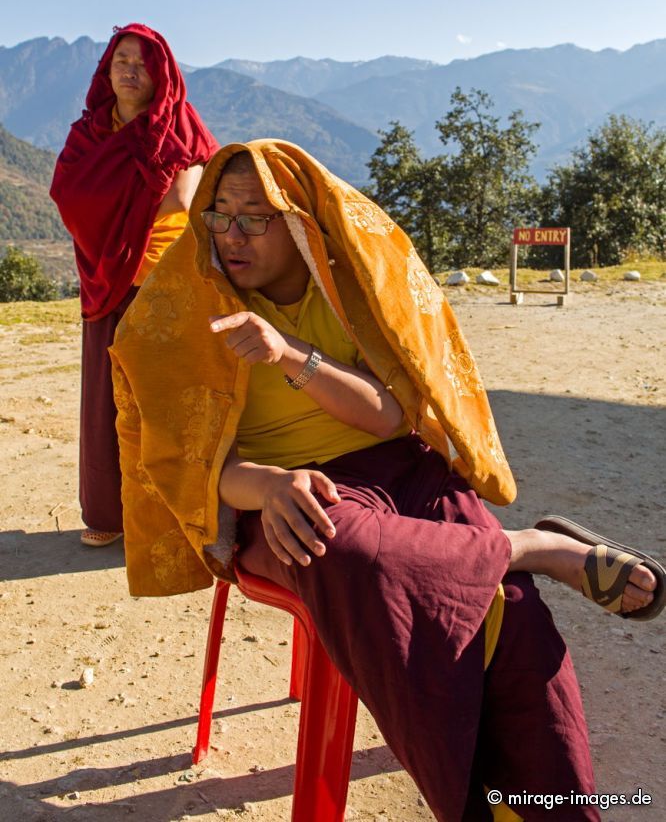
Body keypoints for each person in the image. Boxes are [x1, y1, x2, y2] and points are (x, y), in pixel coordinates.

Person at [110, 140, 664, 821]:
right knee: (346, 551)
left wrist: (289, 354)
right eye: (220, 213)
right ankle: (533, 550)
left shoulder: (351, 291)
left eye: (255, 215)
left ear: (301, 221)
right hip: (279, 497)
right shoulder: (186, 310)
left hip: (397, 470)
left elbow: (388, 417)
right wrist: (270, 486)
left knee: (511, 612)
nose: (231, 233)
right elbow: (184, 461)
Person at [50, 23, 218, 546]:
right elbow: (70, 196)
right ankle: (108, 515)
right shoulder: (89, 134)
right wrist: (120, 219)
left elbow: (182, 202)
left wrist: (119, 212)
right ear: (107, 69)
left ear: (160, 73)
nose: (129, 70)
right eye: (121, 60)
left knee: (165, 400)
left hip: (165, 281)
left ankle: (174, 516)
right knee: (108, 401)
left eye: (142, 62)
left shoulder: (178, 125)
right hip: (108, 277)